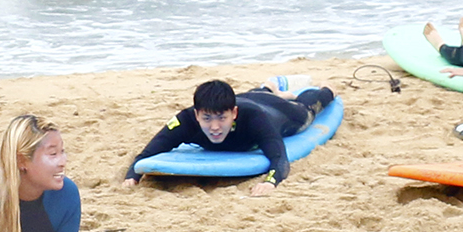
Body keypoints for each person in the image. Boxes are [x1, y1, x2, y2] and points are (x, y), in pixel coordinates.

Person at [122, 80, 335, 188]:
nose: (214, 127)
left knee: (306, 112)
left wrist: (270, 182)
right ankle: (267, 88)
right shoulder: (185, 121)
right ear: (197, 114)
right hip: (247, 98)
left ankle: (328, 89)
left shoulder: (254, 120)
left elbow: (279, 158)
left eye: (221, 118)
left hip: (276, 111)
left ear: (233, 113)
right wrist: (132, 178)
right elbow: (145, 155)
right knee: (255, 96)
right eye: (206, 119)